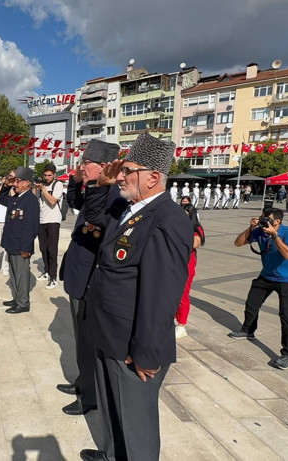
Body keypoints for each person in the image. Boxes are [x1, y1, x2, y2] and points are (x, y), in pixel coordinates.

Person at [78, 133, 192, 461]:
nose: (122, 176)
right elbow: (95, 217)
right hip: (109, 331)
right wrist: (103, 184)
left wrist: (146, 352)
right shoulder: (130, 208)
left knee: (136, 423)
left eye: (129, 170)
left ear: (153, 177)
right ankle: (112, 454)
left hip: (131, 344)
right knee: (112, 407)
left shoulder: (167, 220)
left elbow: (161, 295)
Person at [59, 139, 124, 418]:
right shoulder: (97, 190)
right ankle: (82, 381)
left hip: (89, 276)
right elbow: (76, 203)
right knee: (80, 339)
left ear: (105, 167)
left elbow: (99, 227)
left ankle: (89, 395)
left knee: (87, 342)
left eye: (87, 163)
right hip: (78, 272)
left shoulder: (113, 197)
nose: (82, 167)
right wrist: (76, 181)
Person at [230, 208, 288, 370]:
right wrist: (250, 228)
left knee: (287, 315)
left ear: (277, 222)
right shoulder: (261, 231)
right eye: (263, 218)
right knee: (252, 303)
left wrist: (274, 235)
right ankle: (248, 330)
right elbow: (238, 243)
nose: (264, 222)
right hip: (267, 275)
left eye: (267, 219)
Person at [1, 166, 40, 314]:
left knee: (22, 275)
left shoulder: (30, 200)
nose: (15, 183)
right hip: (11, 242)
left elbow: (32, 227)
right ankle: (17, 298)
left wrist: (26, 247)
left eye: (18, 181)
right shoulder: (17, 198)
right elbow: (1, 199)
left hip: (21, 246)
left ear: (27, 183)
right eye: (15, 181)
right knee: (14, 274)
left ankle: (23, 303)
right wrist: (6, 184)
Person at [175, 203, 205, 338]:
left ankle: (182, 325)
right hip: (174, 263)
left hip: (187, 264)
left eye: (186, 213)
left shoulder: (196, 228)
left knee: (182, 294)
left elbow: (195, 243)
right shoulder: (176, 226)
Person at [36, 164, 65, 289]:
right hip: (41, 220)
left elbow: (53, 201)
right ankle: (47, 271)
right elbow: (35, 199)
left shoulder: (57, 185)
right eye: (45, 175)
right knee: (43, 249)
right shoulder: (42, 186)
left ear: (54, 175)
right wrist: (36, 187)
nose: (47, 177)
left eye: (49, 175)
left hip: (53, 220)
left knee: (52, 250)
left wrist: (43, 189)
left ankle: (53, 277)